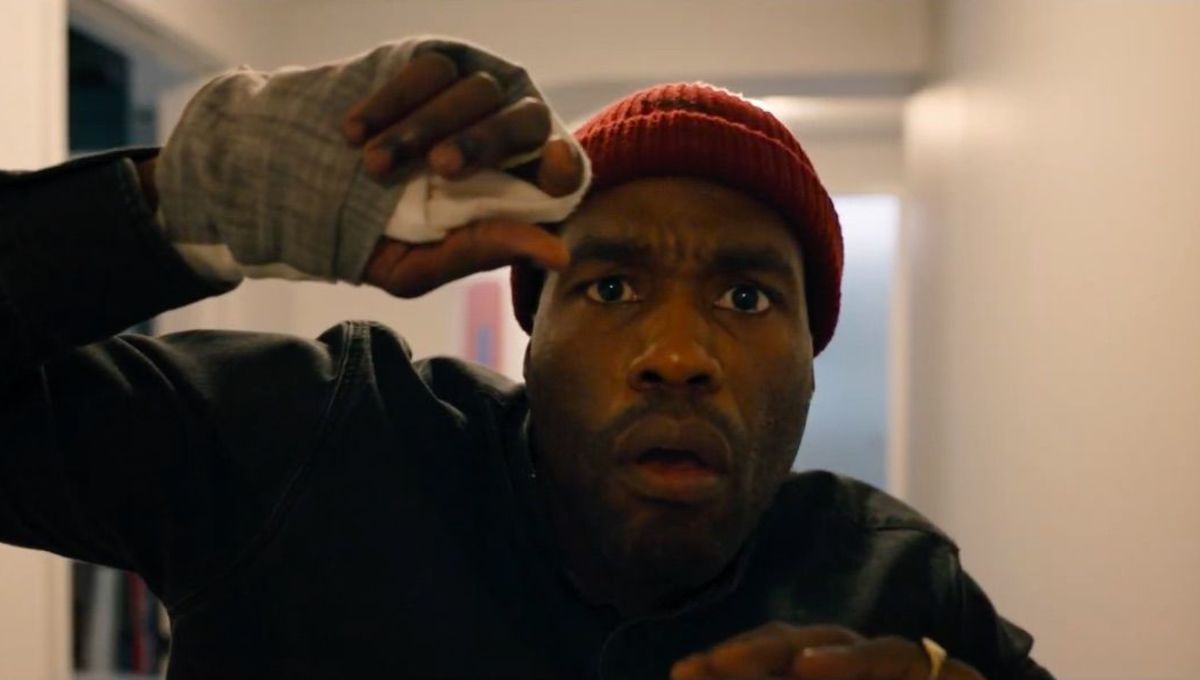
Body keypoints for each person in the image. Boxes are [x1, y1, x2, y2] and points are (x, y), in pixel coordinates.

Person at [0, 38, 1054, 680]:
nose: (676, 355)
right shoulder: (307, 444)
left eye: (746, 296)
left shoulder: (895, 589)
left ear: (811, 358)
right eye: (610, 287)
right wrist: (185, 205)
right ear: (533, 335)